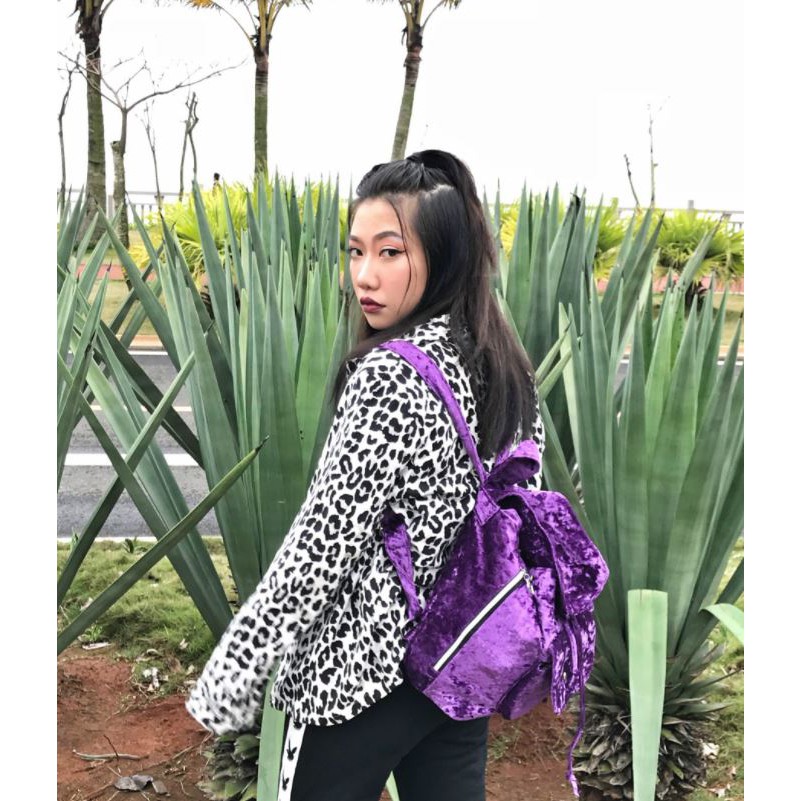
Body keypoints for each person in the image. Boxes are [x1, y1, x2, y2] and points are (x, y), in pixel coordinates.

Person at [186, 149, 546, 801]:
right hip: (460, 657)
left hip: (364, 673)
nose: (364, 275)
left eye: (390, 252)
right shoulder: (505, 362)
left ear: (444, 257)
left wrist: (235, 673)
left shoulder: (391, 375)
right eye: (355, 252)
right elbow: (523, 501)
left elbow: (321, 544)